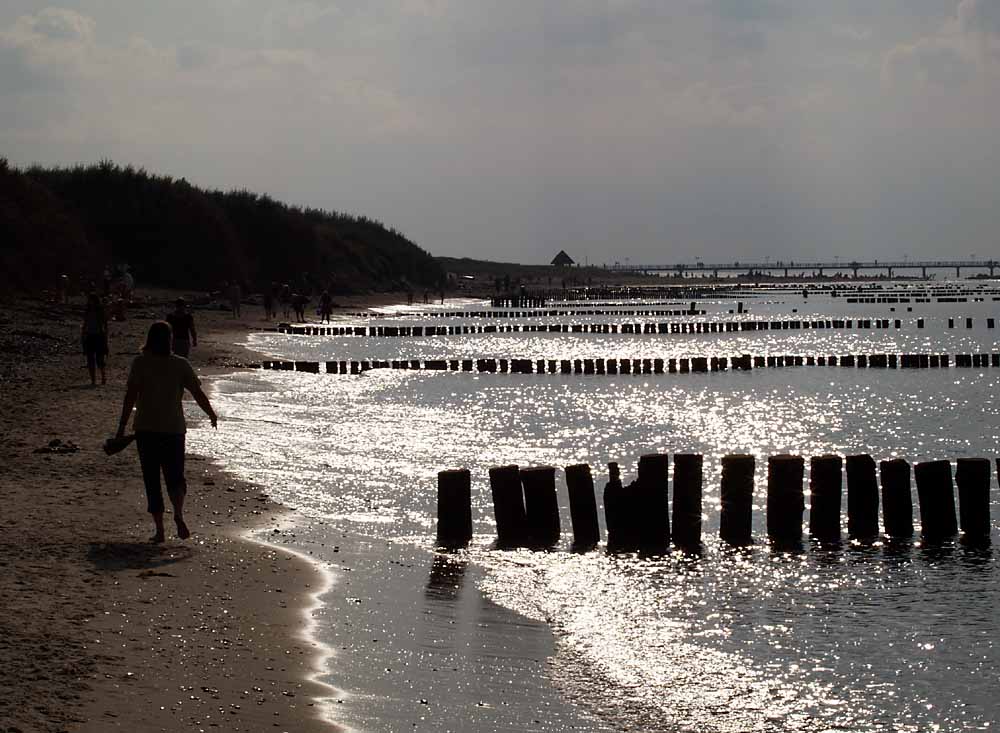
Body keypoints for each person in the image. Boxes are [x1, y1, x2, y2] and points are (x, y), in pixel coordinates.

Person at [115, 321, 218, 543]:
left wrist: (122, 426)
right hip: (173, 429)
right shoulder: (180, 364)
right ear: (169, 340)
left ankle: (160, 530)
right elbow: (197, 393)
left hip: (146, 429)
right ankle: (178, 514)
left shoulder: (140, 363)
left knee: (151, 479)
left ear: (149, 339)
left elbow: (130, 397)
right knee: (175, 477)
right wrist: (211, 414)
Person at [81, 293, 109, 386]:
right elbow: (85, 323)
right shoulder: (87, 311)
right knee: (90, 359)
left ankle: (103, 375)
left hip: (98, 335)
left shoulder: (100, 311)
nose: (90, 302)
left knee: (99, 358)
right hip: (90, 335)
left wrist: (105, 337)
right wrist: (83, 334)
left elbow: (105, 324)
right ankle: (93, 379)